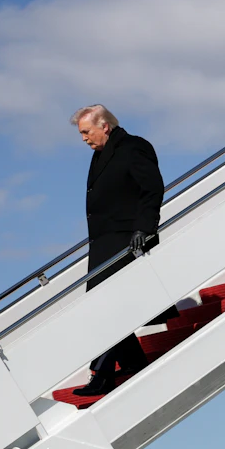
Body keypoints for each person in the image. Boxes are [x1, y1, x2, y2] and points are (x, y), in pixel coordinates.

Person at [70, 104, 164, 397]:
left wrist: (144, 228)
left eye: (86, 132)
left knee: (105, 307)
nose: (84, 138)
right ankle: (134, 363)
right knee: (107, 307)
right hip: (103, 242)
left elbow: (152, 188)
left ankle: (101, 375)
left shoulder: (133, 147)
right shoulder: (100, 154)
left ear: (104, 126)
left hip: (126, 241)